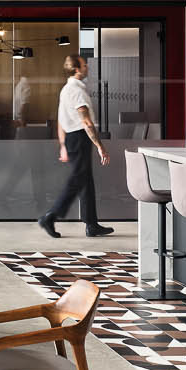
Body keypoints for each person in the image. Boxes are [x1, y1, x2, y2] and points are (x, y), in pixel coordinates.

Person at [40, 52, 113, 239]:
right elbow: (86, 122)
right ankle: (50, 216)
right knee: (78, 180)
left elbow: (61, 120)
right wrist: (100, 146)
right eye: (84, 65)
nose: (87, 67)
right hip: (80, 138)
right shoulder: (77, 91)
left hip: (73, 139)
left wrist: (63, 145)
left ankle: (91, 224)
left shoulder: (66, 90)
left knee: (85, 180)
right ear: (77, 69)